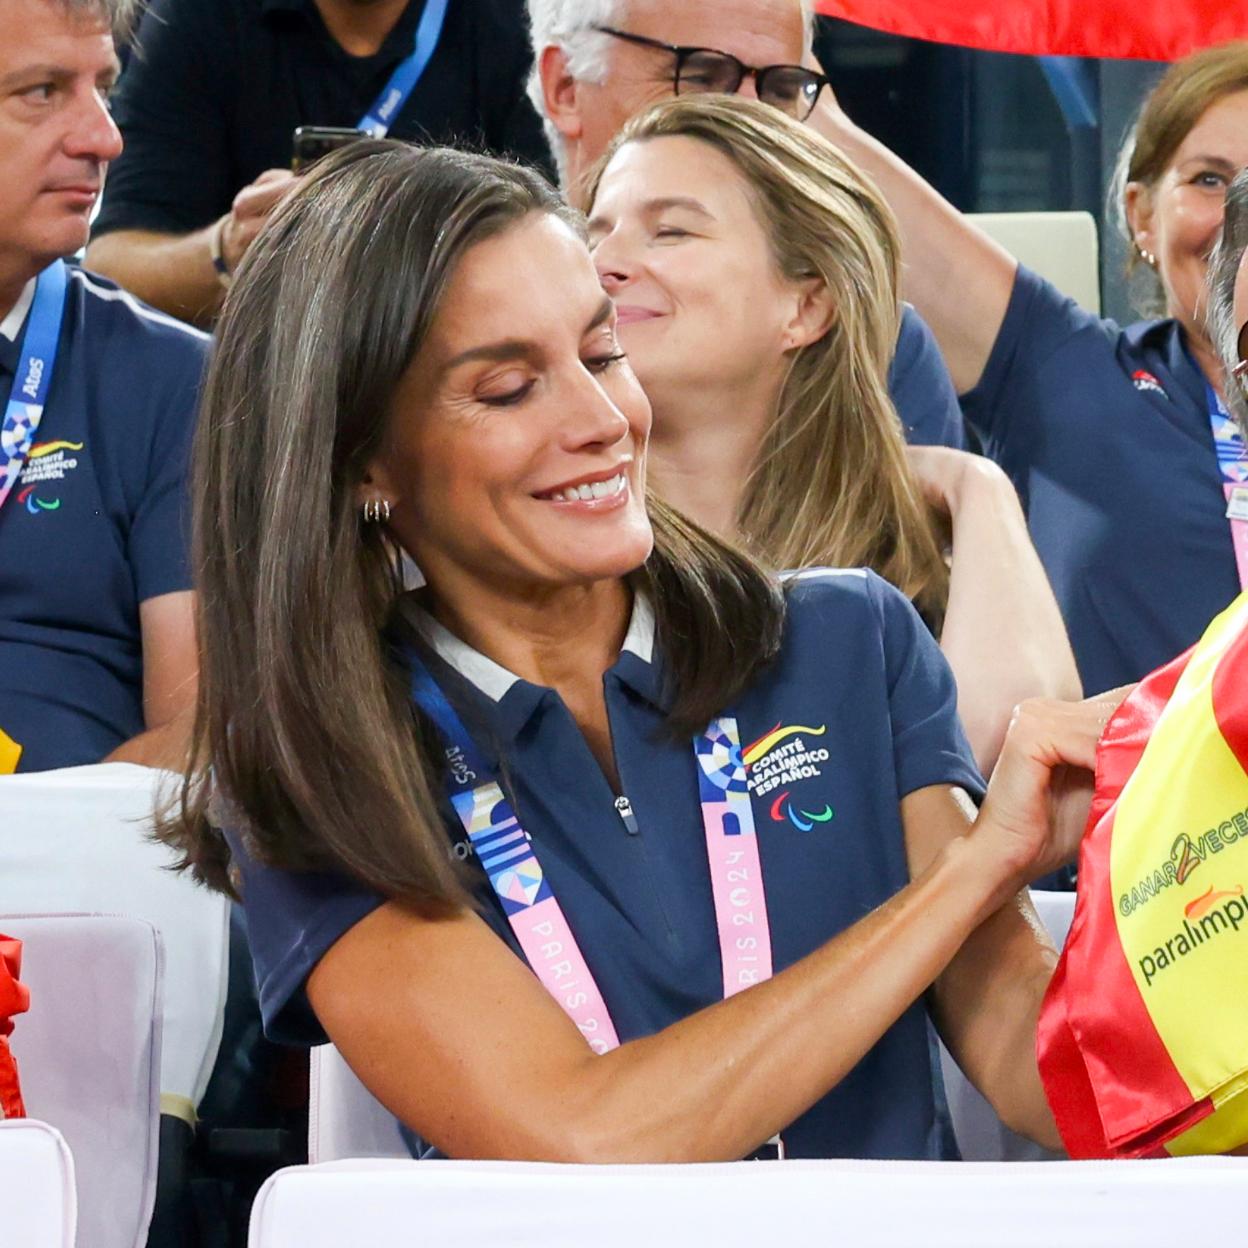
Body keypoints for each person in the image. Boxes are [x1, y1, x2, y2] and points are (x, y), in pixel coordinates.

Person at [161, 138, 1121, 1163]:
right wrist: (971, 874)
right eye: (506, 389)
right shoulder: (322, 769)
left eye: (602, 351)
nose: (601, 419)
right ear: (360, 463)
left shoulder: (852, 639)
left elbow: (1033, 1047)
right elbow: (584, 1133)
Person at [586, 96, 1080, 773]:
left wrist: (978, 488)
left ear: (807, 304)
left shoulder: (914, 579)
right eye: (595, 232)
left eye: (669, 232)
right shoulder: (553, 556)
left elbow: (1003, 768)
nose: (603, 262)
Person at [810, 42, 1248, 698]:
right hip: (1120, 798)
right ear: (1140, 215)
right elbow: (817, 134)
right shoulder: (1068, 371)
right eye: (1209, 180)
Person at [525, 0, 967, 451]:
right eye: (702, 75)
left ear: (810, 309)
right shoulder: (471, 321)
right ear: (566, 87)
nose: (751, 118)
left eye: (780, 89)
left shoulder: (876, 349)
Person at [0, 0, 205, 774]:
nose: (103, 138)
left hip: (67, 875)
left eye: (104, 88)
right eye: (43, 91)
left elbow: (202, 742)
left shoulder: (174, 384)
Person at [82, 0, 549, 326]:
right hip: (260, 379)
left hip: (459, 354)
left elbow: (560, 235)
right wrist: (232, 251)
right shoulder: (198, 17)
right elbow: (112, 264)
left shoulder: (516, 21)